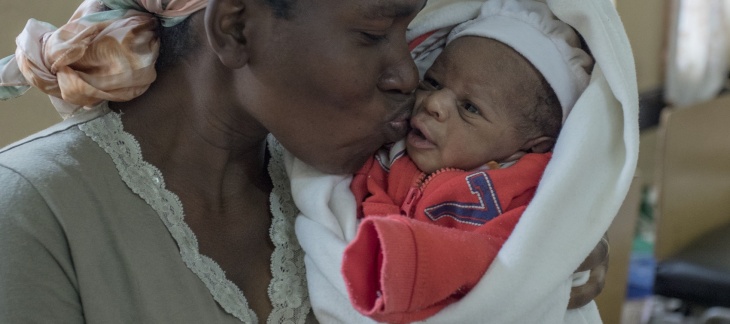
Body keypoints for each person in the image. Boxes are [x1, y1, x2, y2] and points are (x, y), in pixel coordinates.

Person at [0, 0, 630, 324]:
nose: (407, 74)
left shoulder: (335, 181)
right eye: (371, 33)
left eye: (406, 31)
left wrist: (540, 259)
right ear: (238, 28)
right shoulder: (36, 215)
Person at [341, 1, 593, 322]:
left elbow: (512, 260)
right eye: (432, 82)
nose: (433, 103)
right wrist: (383, 240)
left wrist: (411, 256)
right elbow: (366, 197)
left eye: (470, 108)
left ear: (530, 146)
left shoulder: (528, 188)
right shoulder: (391, 152)